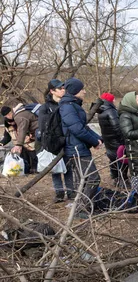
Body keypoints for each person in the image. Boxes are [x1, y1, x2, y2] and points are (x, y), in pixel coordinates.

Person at [59, 78, 103, 218]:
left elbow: (83, 126)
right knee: (92, 179)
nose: (84, 91)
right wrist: (94, 142)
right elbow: (77, 129)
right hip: (75, 149)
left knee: (84, 180)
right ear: (75, 91)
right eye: (82, 89)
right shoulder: (67, 106)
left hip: (79, 147)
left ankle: (84, 207)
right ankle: (81, 210)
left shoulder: (73, 105)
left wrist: (98, 138)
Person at [38, 79, 74, 202]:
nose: (63, 90)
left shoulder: (67, 104)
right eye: (60, 88)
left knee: (68, 168)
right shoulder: (45, 108)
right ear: (52, 91)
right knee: (55, 169)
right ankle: (59, 193)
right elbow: (43, 127)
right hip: (54, 143)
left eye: (64, 88)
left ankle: (71, 192)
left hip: (67, 141)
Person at [97, 92, 127, 187]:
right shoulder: (111, 111)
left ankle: (115, 178)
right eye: (113, 99)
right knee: (122, 159)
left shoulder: (101, 110)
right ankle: (123, 180)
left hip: (107, 139)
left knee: (112, 158)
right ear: (111, 100)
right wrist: (123, 139)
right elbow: (117, 127)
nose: (115, 101)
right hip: (116, 139)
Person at [0, 102, 39, 175]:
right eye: (9, 123)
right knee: (24, 159)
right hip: (19, 145)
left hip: (28, 143)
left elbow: (24, 130)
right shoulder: (8, 128)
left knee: (33, 157)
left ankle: (34, 169)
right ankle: (26, 170)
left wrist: (29, 138)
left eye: (12, 122)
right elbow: (7, 137)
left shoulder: (20, 120)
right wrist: (2, 143)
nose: (12, 124)